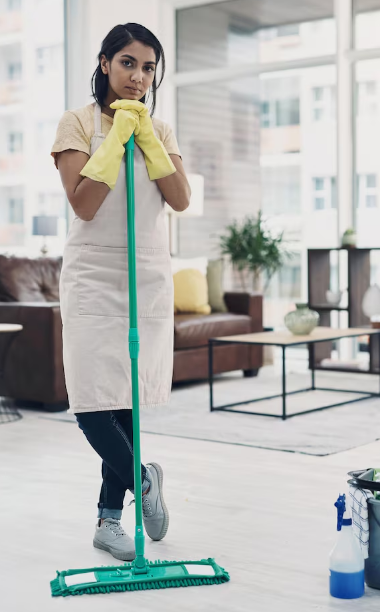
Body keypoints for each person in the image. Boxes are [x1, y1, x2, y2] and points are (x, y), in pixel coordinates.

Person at [51, 23, 190, 562]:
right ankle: (144, 480)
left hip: (145, 273)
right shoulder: (77, 123)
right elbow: (83, 203)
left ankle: (109, 522)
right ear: (106, 63)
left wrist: (147, 136)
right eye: (129, 63)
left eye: (149, 67)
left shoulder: (161, 128)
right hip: (92, 277)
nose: (139, 77)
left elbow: (178, 198)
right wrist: (115, 139)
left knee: (125, 403)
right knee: (90, 402)